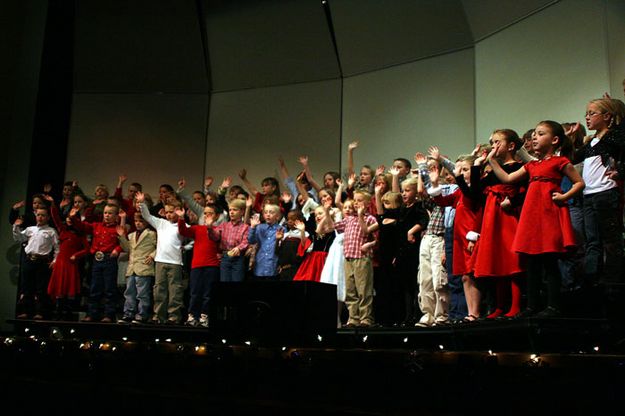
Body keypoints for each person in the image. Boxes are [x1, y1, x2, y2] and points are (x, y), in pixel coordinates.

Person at [488, 120, 585, 318]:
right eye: (535, 134)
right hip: (532, 216)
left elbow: (579, 183)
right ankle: (532, 307)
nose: (535, 137)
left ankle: (553, 306)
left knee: (549, 261)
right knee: (531, 263)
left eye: (541, 134)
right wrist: (492, 161)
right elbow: (507, 179)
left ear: (555, 140)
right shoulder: (531, 165)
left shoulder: (560, 162)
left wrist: (564, 197)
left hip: (548, 215)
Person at [472, 130, 526, 320]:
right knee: (497, 261)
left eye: (497, 142)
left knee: (512, 261)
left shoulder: (518, 167)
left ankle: (516, 305)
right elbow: (474, 192)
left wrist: (513, 201)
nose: (493, 146)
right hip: (492, 220)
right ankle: (501, 306)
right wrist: (476, 166)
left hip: (509, 217)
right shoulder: (493, 171)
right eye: (491, 143)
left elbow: (525, 190)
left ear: (511, 146)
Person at [572, 99, 625, 297]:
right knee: (592, 240)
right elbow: (572, 160)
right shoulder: (590, 143)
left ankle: (613, 282)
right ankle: (592, 281)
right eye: (586, 113)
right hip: (588, 195)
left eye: (592, 113)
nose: (587, 117)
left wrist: (620, 170)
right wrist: (573, 139)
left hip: (606, 193)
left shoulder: (614, 137)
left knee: (611, 240)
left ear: (607, 117)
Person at [429, 153, 483, 322]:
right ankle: (471, 313)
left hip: (470, 238)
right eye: (459, 169)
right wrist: (435, 182)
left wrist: (474, 236)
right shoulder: (460, 192)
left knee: (472, 275)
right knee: (464, 276)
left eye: (465, 169)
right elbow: (442, 202)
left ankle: (475, 312)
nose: (460, 172)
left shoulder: (477, 189)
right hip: (459, 238)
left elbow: (480, 213)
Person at [328, 190, 378, 328]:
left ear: (367, 203)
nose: (356, 203)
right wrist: (328, 212)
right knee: (350, 290)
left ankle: (365, 318)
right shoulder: (349, 219)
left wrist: (361, 216)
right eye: (355, 200)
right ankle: (353, 318)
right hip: (348, 258)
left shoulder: (370, 218)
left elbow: (365, 231)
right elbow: (332, 227)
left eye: (360, 200)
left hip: (362, 258)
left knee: (363, 289)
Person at [136, 191, 186, 324]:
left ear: (179, 211)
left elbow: (192, 239)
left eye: (172, 212)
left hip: (175, 262)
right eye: (167, 212)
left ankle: (174, 316)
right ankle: (158, 316)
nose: (169, 214)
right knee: (159, 290)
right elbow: (147, 216)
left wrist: (186, 248)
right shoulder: (161, 223)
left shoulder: (183, 226)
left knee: (175, 290)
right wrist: (142, 203)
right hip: (160, 261)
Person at [70, 202, 122, 322]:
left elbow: (124, 243)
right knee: (94, 287)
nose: (107, 215)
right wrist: (73, 218)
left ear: (116, 216)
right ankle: (92, 313)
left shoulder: (118, 229)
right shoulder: (96, 226)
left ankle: (108, 314)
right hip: (97, 260)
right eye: (105, 213)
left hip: (110, 259)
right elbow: (82, 226)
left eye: (110, 213)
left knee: (109, 288)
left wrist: (117, 249)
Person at [43, 195, 89, 320]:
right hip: (60, 262)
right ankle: (58, 310)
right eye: (68, 217)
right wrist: (53, 204)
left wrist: (76, 255)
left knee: (69, 286)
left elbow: (86, 249)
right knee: (59, 286)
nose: (69, 219)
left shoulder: (80, 234)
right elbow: (56, 218)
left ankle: (68, 311)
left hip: (70, 263)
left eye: (72, 218)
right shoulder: (62, 230)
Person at [176, 204, 221, 327]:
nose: (207, 215)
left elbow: (218, 240)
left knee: (208, 293)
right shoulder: (197, 228)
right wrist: (181, 218)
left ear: (216, 216)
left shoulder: (219, 229)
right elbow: (183, 231)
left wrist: (210, 227)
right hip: (197, 265)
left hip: (212, 265)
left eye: (210, 213)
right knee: (195, 292)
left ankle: (205, 316)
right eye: (205, 213)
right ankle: (192, 316)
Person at [12, 205, 59, 319]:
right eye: (38, 215)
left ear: (48, 217)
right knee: (26, 287)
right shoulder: (30, 229)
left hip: (42, 261)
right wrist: (16, 227)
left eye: (43, 215)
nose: (40, 217)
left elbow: (57, 247)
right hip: (29, 260)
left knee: (41, 288)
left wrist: (55, 260)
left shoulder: (51, 231)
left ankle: (40, 312)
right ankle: (26, 311)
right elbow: (19, 238)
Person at [116, 212, 156, 324]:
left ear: (146, 222)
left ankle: (142, 314)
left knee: (142, 293)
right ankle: (128, 313)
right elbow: (127, 249)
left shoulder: (151, 234)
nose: (138, 223)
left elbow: (160, 246)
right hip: (132, 267)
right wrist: (122, 236)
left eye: (141, 221)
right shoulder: (131, 235)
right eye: (136, 221)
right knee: (129, 292)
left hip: (144, 267)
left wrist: (152, 255)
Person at [208, 199, 250, 283]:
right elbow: (215, 237)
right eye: (230, 210)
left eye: (235, 210)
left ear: (242, 212)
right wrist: (210, 228)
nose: (231, 212)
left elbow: (246, 241)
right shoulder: (224, 225)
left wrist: (239, 248)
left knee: (237, 283)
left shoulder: (245, 227)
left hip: (238, 258)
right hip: (225, 257)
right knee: (224, 282)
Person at [248, 204, 284, 280]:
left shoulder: (282, 229)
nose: (268, 214)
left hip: (273, 265)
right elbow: (251, 241)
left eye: (271, 212)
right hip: (260, 264)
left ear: (277, 216)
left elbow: (282, 249)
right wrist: (253, 227)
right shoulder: (259, 227)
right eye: (265, 212)